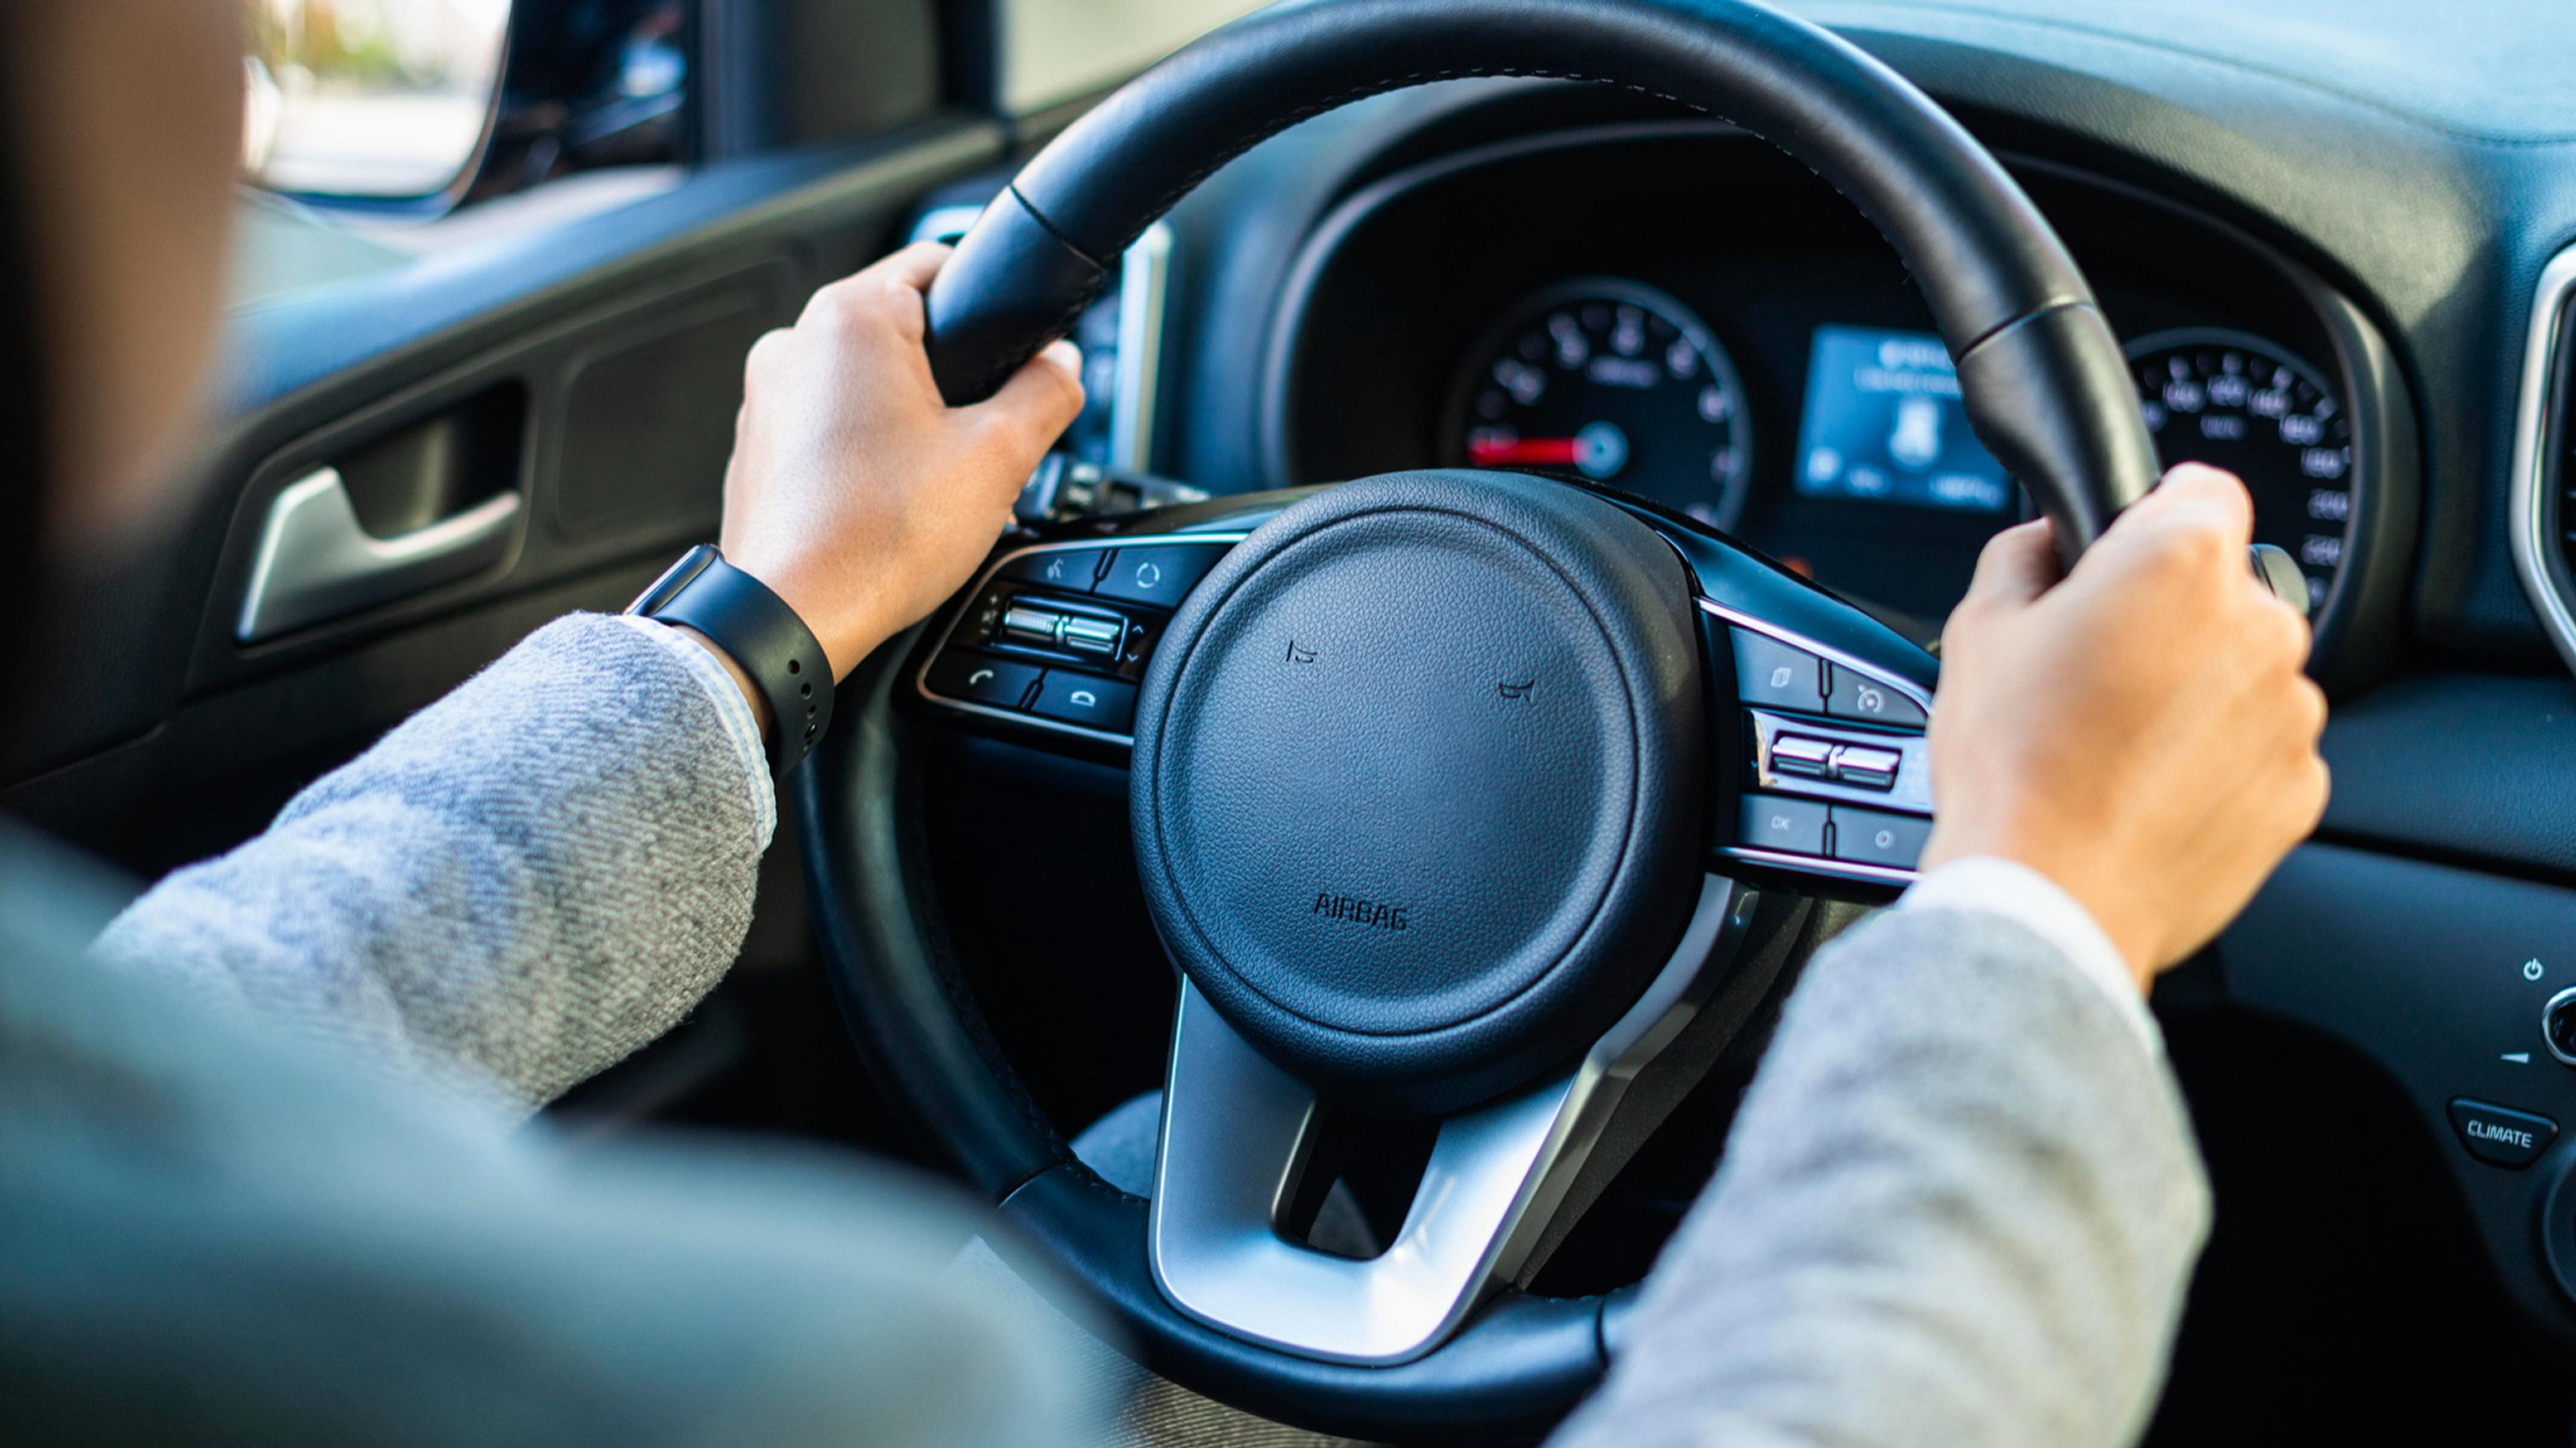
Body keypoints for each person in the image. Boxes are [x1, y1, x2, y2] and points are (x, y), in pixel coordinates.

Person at [0, 2, 2328, 1445]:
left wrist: (771, 617)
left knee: (1125, 1199)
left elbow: (207, 1030)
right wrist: (2029, 910)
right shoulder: (776, 1389)